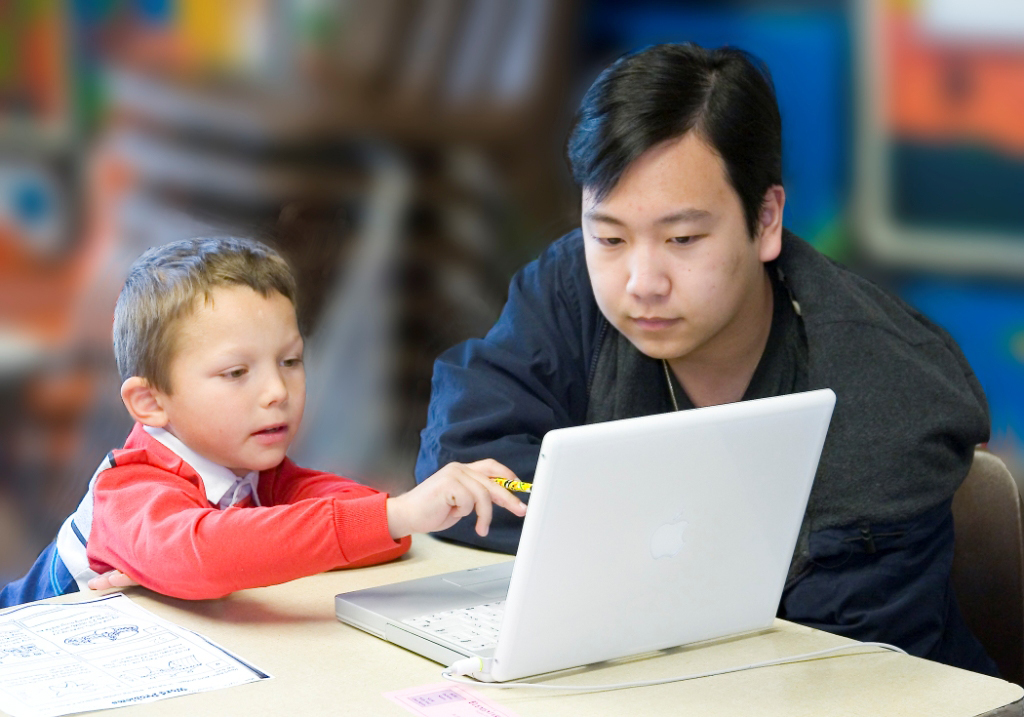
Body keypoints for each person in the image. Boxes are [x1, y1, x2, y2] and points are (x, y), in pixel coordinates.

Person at [414, 43, 997, 674]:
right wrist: (657, 539)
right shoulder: (572, 287)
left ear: (766, 219)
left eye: (682, 239)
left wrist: (612, 538)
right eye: (609, 236)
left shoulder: (888, 382)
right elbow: (463, 465)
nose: (641, 280)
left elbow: (840, 665)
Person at [1, 237, 525, 606]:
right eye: (236, 373)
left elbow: (367, 532)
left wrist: (412, 510)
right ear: (150, 403)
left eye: (291, 362)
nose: (277, 392)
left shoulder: (256, 472)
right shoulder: (130, 488)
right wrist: (395, 515)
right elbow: (205, 553)